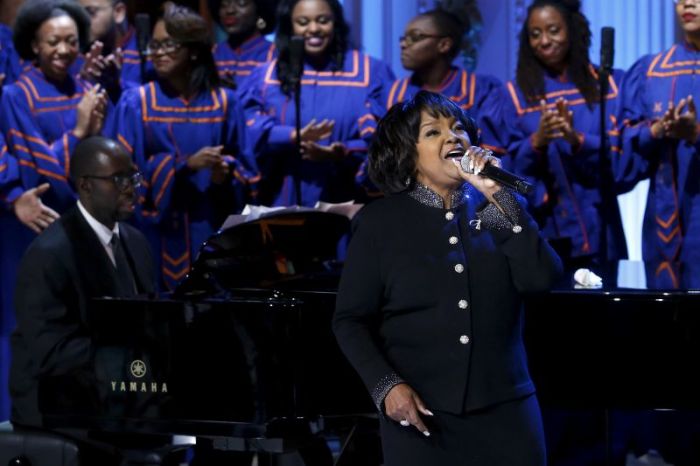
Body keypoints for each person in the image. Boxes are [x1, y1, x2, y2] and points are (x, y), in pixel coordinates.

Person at [333, 90, 562, 466]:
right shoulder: (380, 223)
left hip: (506, 410)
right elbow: (350, 320)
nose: (453, 138)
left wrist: (494, 193)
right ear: (408, 154)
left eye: (458, 129)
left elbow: (540, 280)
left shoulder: (501, 208)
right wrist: (387, 388)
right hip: (422, 414)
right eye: (433, 132)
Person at [9, 135, 154, 464]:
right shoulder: (50, 254)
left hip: (114, 393)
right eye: (119, 180)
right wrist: (131, 357)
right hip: (57, 404)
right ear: (86, 186)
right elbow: (51, 353)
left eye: (133, 177)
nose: (131, 187)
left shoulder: (137, 243)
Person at [111, 3, 258, 290]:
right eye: (155, 45)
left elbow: (247, 171)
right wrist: (184, 165)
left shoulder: (225, 102)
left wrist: (224, 174)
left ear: (193, 50)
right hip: (154, 231)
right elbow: (125, 173)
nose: (159, 52)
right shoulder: (137, 102)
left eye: (169, 44)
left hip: (210, 226)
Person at [502, 0, 627, 266]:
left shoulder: (608, 85)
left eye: (553, 30)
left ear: (572, 30)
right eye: (535, 34)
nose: (544, 41)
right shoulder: (515, 95)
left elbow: (626, 160)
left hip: (600, 230)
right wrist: (538, 141)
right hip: (543, 231)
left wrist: (576, 140)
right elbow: (501, 169)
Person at [241, 0, 395, 207]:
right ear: (290, 27)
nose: (314, 29)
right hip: (282, 195)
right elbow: (245, 132)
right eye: (303, 22)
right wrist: (291, 135)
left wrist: (343, 151)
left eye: (323, 21)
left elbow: (389, 138)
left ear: (336, 24)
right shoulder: (266, 76)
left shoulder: (370, 72)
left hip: (347, 197)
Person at [618, 0, 700, 288]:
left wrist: (695, 134)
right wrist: (656, 129)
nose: (688, 3)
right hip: (663, 218)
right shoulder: (652, 70)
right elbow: (626, 147)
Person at [78, 0, 152, 97]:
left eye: (90, 12)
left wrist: (116, 86)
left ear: (118, 12)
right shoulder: (74, 52)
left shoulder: (147, 55)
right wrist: (82, 82)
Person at [209, 0, 278, 93]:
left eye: (241, 3)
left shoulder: (274, 54)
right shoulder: (211, 54)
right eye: (224, 4)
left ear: (259, 10)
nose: (230, 10)